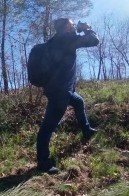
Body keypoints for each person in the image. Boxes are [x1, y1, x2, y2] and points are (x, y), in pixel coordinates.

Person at [36, 18, 99, 174]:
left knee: (78, 102)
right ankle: (43, 163)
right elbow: (93, 41)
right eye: (71, 24)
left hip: (60, 89)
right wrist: (87, 28)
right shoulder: (66, 38)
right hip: (60, 92)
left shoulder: (54, 41)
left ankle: (86, 130)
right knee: (47, 128)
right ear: (65, 26)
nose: (73, 26)